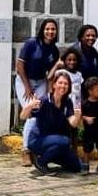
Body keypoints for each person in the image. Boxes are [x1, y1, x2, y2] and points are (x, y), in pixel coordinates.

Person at [15, 19, 60, 166]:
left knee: (39, 113)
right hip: (24, 81)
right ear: (42, 30)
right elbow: (19, 66)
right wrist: (27, 87)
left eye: (53, 29)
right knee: (31, 113)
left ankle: (36, 146)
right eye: (47, 29)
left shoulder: (54, 50)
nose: (50, 32)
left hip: (41, 82)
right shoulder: (31, 43)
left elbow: (51, 74)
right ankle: (26, 150)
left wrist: (49, 91)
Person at [21, 71, 82, 175]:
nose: (63, 86)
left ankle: (50, 157)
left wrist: (77, 116)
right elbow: (23, 116)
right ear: (54, 85)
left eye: (66, 84)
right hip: (38, 139)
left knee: (76, 167)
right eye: (60, 83)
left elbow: (73, 123)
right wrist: (29, 106)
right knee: (65, 141)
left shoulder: (67, 102)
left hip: (56, 142)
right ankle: (41, 162)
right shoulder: (45, 100)